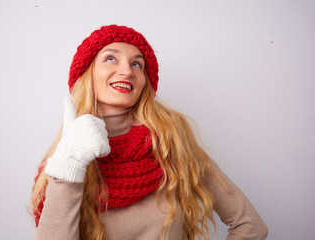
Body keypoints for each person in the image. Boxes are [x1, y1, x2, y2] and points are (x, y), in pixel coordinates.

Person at [30, 25, 268, 240]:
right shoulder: (64, 157)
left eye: (137, 64)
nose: (126, 70)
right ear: (87, 73)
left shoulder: (172, 143)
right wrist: (69, 165)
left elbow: (250, 227)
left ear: (145, 81)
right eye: (111, 58)